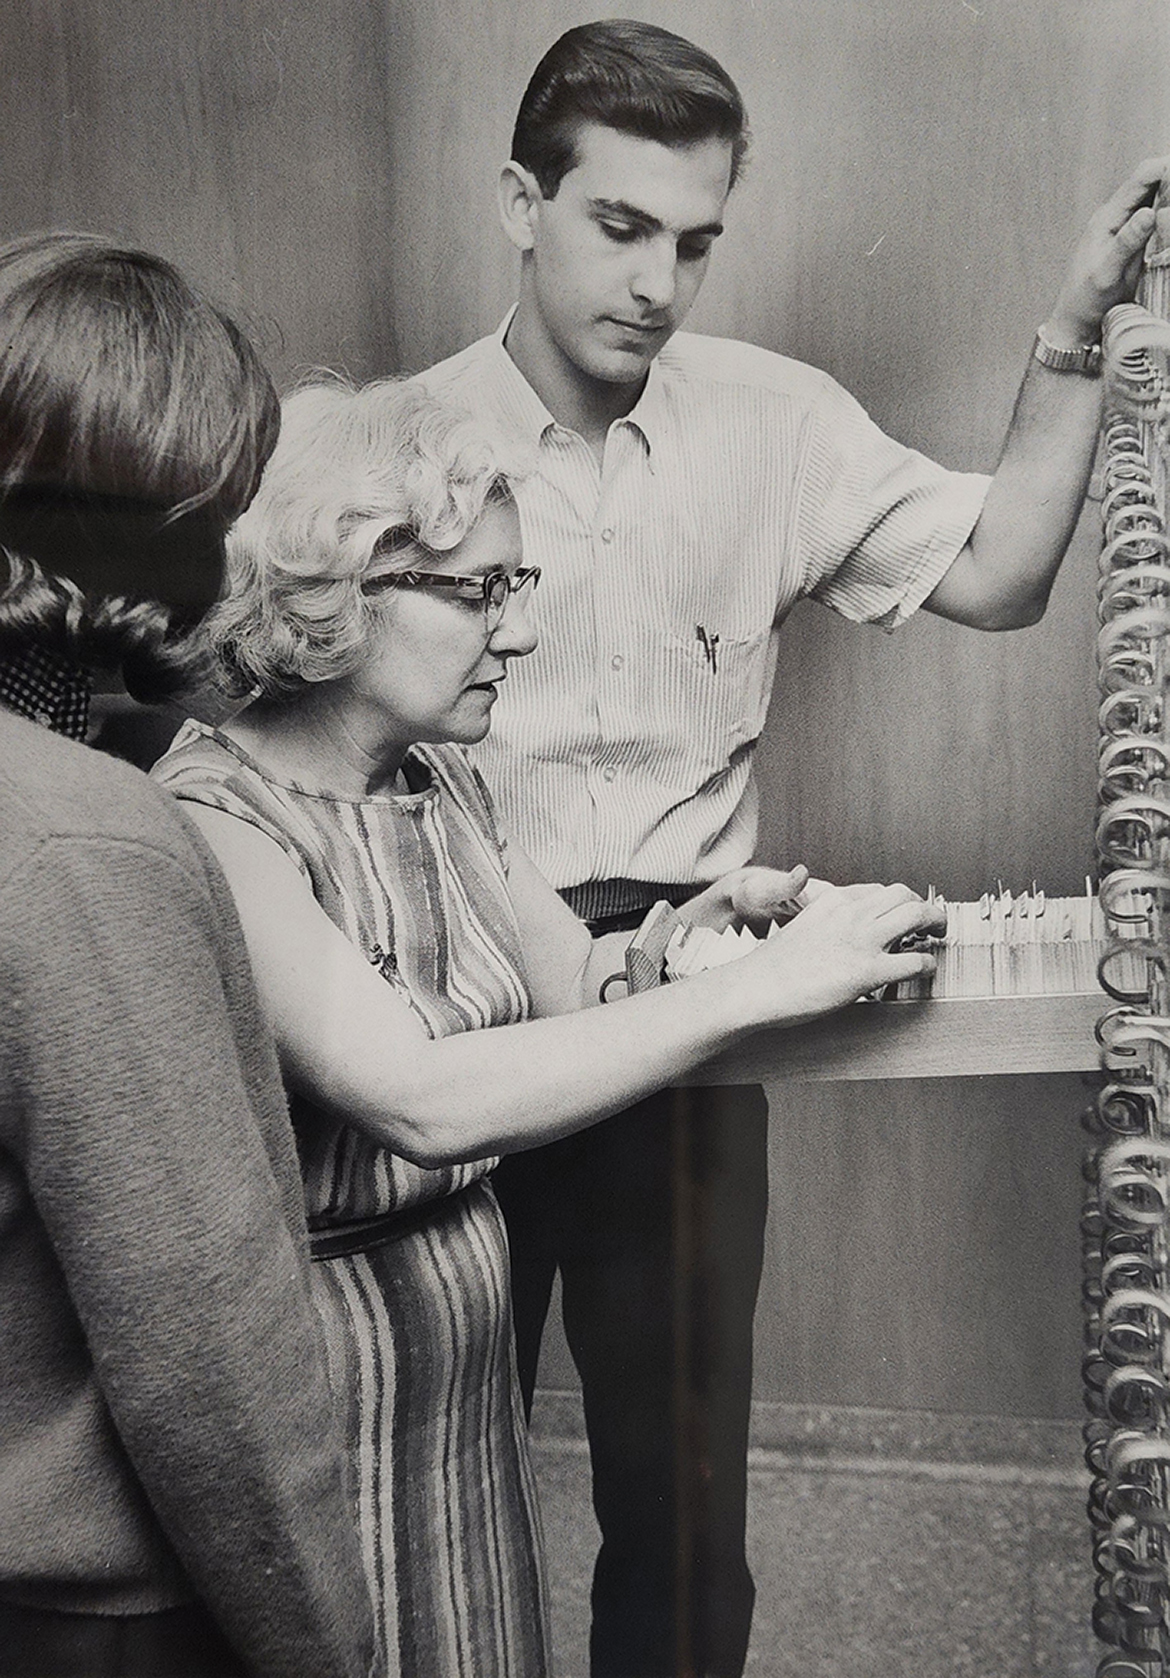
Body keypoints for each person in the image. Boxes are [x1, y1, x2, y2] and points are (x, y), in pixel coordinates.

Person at [412, 18, 1170, 1677]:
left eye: (694, 243)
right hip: (448, 1004)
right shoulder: (399, 456)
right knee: (426, 1499)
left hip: (693, 1001)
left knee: (684, 1526)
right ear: (515, 204)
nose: (657, 283)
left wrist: (1067, 334)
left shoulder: (772, 419)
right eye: (618, 227)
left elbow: (999, 573)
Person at [151, 375, 944, 1678]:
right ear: (328, 592)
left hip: (451, 1381)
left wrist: (691, 933)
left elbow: (575, 985)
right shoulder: (214, 819)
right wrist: (752, 990)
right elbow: (418, 1095)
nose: (518, 634)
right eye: (479, 593)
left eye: (519, 587)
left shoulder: (440, 776)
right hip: (318, 1392)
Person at [0, 234, 379, 1678]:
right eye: (220, 510)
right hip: (87, 1620)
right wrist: (330, 1648)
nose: (238, 560)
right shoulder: (82, 839)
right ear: (129, 530)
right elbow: (206, 1353)